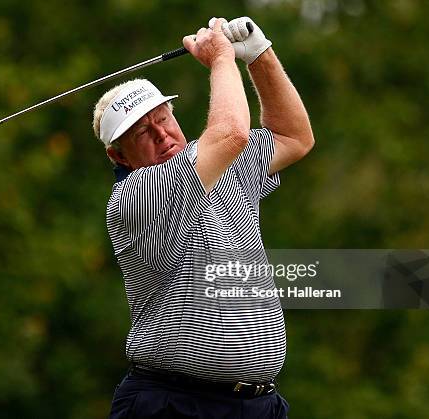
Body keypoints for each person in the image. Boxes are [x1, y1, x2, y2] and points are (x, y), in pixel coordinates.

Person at [92, 17, 314, 419]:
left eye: (162, 119)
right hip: (174, 404)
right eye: (142, 133)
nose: (161, 135)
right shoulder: (135, 196)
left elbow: (293, 137)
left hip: (258, 405)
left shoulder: (224, 164)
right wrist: (222, 58)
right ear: (119, 156)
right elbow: (231, 132)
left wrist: (259, 54)